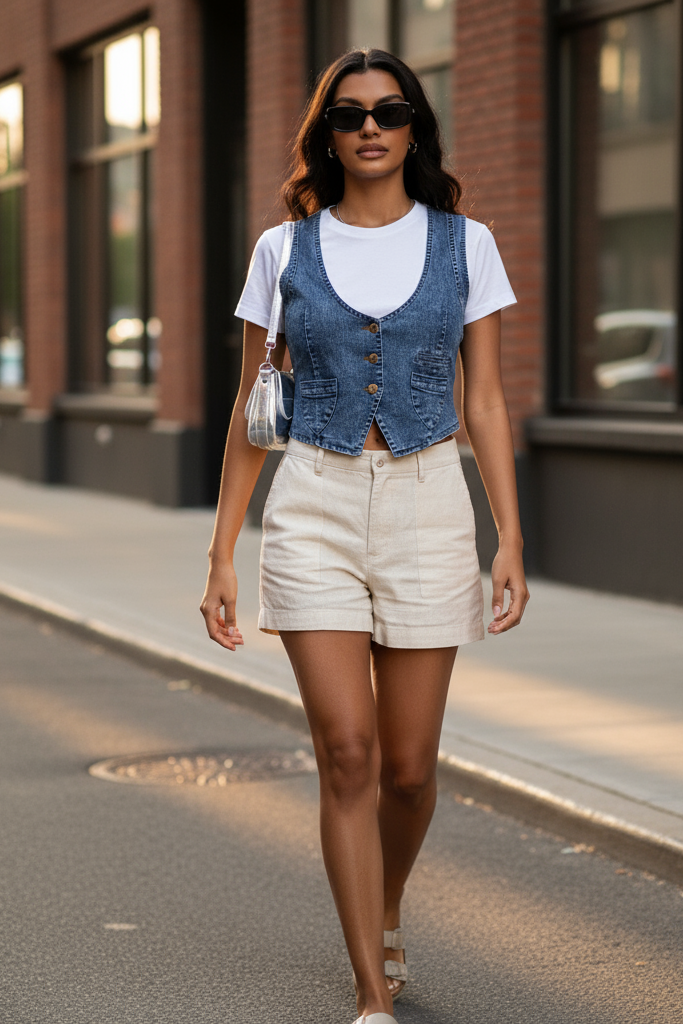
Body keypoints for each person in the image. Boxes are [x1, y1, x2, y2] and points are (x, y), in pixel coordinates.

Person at [200, 47, 529, 1024]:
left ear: (416, 125)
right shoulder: (280, 250)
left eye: (390, 111)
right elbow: (251, 407)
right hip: (313, 503)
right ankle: (370, 993)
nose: (370, 127)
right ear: (327, 134)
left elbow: (487, 398)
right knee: (346, 751)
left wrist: (508, 536)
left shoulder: (466, 243)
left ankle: (386, 901)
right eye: (349, 115)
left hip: (431, 503)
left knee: (410, 767)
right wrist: (221, 550)